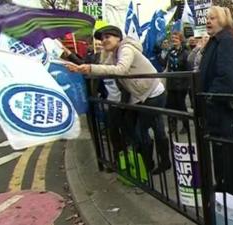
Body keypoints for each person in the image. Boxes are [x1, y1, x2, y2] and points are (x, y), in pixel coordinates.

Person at [66, 25, 170, 174]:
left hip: (153, 94)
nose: (103, 41)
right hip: (142, 96)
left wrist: (89, 67)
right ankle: (161, 162)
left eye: (107, 37)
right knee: (156, 129)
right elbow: (100, 68)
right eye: (102, 39)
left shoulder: (125, 49)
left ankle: (149, 164)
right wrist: (78, 67)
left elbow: (120, 69)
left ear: (118, 38)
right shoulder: (114, 54)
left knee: (141, 131)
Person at [199, 6, 233, 197]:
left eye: (213, 18)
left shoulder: (227, 41)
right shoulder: (216, 41)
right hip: (219, 115)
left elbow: (227, 77)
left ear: (223, 20)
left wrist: (208, 99)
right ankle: (224, 197)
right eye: (207, 18)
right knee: (222, 161)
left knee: (231, 165)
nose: (208, 21)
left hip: (228, 117)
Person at [165, 32, 190, 134]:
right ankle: (172, 125)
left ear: (180, 39)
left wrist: (187, 84)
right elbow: (163, 63)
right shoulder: (170, 52)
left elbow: (188, 69)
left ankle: (186, 126)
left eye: (176, 38)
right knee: (170, 105)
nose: (174, 39)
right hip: (171, 84)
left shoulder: (185, 53)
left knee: (181, 106)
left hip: (181, 85)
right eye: (172, 38)